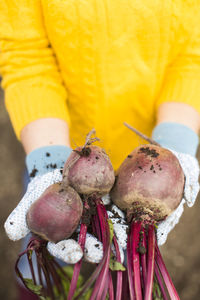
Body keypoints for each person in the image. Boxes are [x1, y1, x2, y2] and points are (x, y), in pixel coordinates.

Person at [1, 1, 200, 299]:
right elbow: (26, 56)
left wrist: (174, 142)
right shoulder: (57, 166)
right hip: (59, 147)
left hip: (145, 156)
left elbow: (193, 54)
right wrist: (50, 160)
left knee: (118, 249)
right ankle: (39, 285)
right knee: (48, 234)